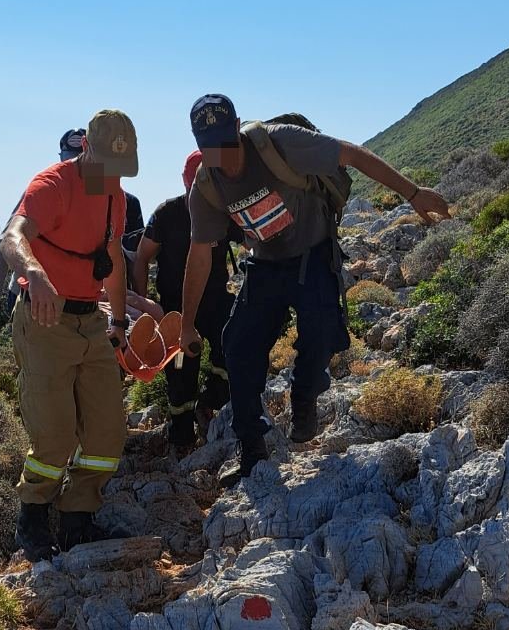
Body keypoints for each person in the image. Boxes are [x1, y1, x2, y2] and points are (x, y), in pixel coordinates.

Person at [180, 93, 451, 481]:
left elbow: (351, 155)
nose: (221, 154)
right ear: (198, 146)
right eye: (210, 147)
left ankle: (304, 397)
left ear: (238, 126)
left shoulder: (279, 142)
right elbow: (200, 254)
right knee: (238, 344)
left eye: (226, 140)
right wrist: (187, 323)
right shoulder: (207, 186)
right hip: (265, 265)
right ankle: (252, 450)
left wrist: (412, 193)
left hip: (312, 252)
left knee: (321, 334)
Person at [0, 110, 139, 559]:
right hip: (45, 322)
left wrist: (119, 323)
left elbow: (113, 259)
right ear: (86, 152)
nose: (112, 178)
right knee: (54, 434)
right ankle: (34, 519)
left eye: (121, 170)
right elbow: (12, 236)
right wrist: (34, 272)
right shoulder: (53, 185)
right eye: (106, 167)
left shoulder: (115, 195)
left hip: (91, 322)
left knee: (106, 430)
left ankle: (79, 520)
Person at [0, 128, 144, 327]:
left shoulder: (117, 199)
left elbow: (120, 256)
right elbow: (8, 239)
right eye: (68, 160)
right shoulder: (49, 189)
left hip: (85, 297)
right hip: (36, 295)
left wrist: (123, 308)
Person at [133, 150, 232, 450]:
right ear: (185, 183)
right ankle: (181, 433)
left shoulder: (224, 209)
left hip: (215, 301)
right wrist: (144, 304)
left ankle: (213, 397)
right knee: (179, 371)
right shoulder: (166, 214)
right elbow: (141, 258)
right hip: (174, 309)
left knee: (237, 341)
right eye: (193, 189)